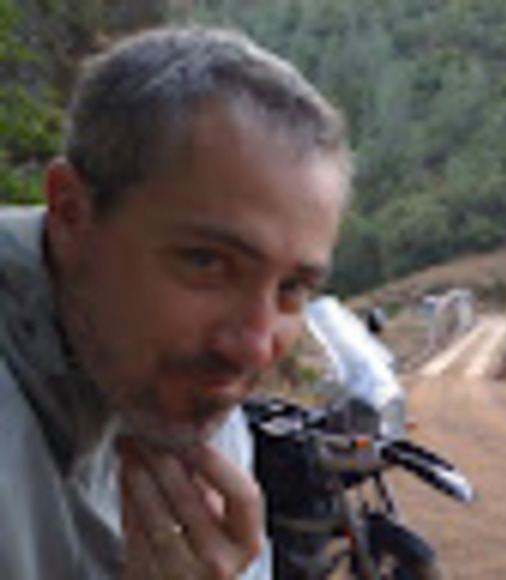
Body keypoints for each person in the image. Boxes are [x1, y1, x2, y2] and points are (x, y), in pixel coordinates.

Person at [0, 25, 351, 579]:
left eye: (291, 289)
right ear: (71, 214)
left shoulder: (188, 399)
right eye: (207, 262)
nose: (254, 349)